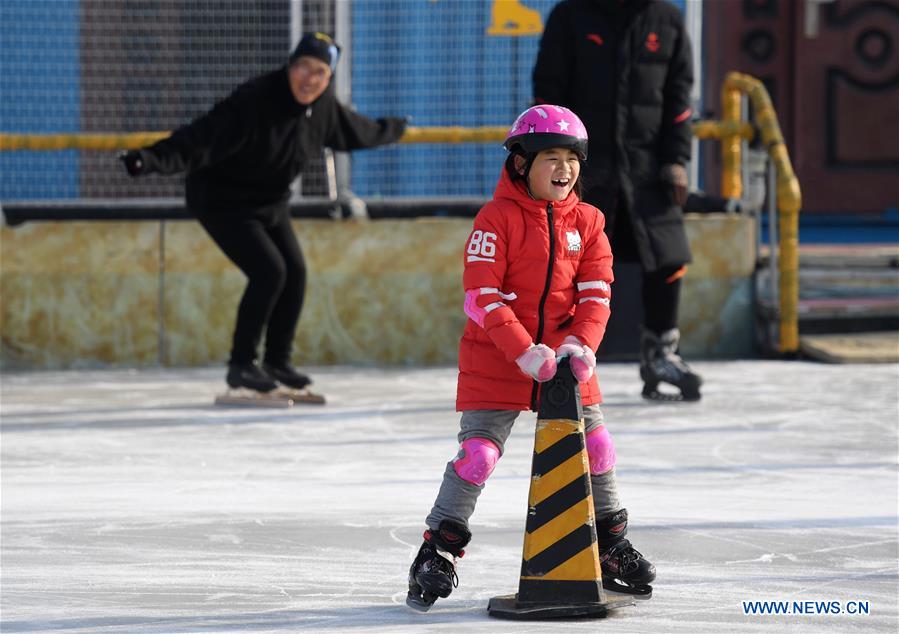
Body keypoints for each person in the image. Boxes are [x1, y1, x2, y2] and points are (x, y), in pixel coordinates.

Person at [406, 105, 655, 612]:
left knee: (599, 446)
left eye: (571, 158)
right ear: (521, 164)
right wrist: (522, 353)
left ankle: (609, 544)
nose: (564, 169)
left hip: (566, 359)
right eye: (551, 158)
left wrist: (581, 346)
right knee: (479, 455)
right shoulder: (494, 219)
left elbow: (597, 295)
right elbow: (481, 297)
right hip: (497, 357)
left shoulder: (589, 223)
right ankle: (439, 551)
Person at [120, 32, 407, 393]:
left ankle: (276, 361)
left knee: (296, 273)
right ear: (289, 66)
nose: (308, 78)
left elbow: (357, 131)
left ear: (328, 78)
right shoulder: (255, 100)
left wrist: (394, 129)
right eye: (302, 67)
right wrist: (148, 159)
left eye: (318, 71)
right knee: (269, 271)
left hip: (268, 202)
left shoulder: (324, 108)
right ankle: (241, 365)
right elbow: (200, 137)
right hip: (221, 200)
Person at [533, 0, 702, 401]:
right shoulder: (571, 15)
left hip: (648, 170)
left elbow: (679, 100)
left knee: (669, 258)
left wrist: (676, 161)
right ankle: (559, 360)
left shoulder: (667, 20)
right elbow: (548, 93)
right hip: (584, 170)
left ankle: (662, 353)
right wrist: (555, 162)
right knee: (566, 265)